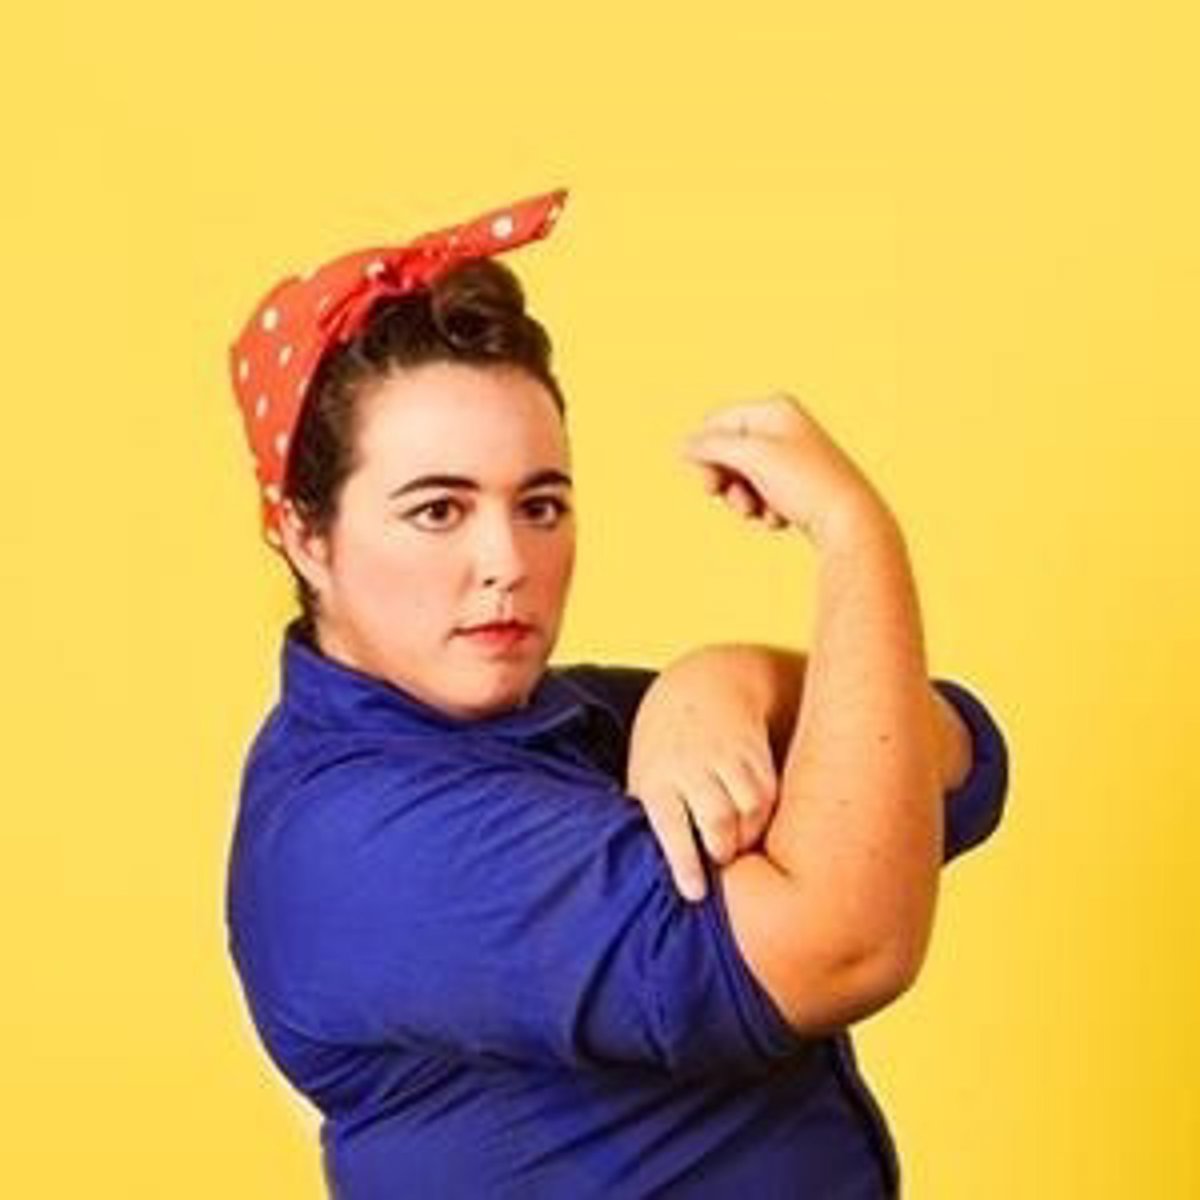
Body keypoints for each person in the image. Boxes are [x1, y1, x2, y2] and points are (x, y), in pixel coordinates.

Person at [224, 189, 1009, 1199]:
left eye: (540, 504)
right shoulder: (361, 836)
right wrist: (856, 537)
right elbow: (848, 944)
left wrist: (725, 677)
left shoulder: (558, 720)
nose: (506, 560)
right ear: (305, 537)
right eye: (438, 511)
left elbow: (954, 756)